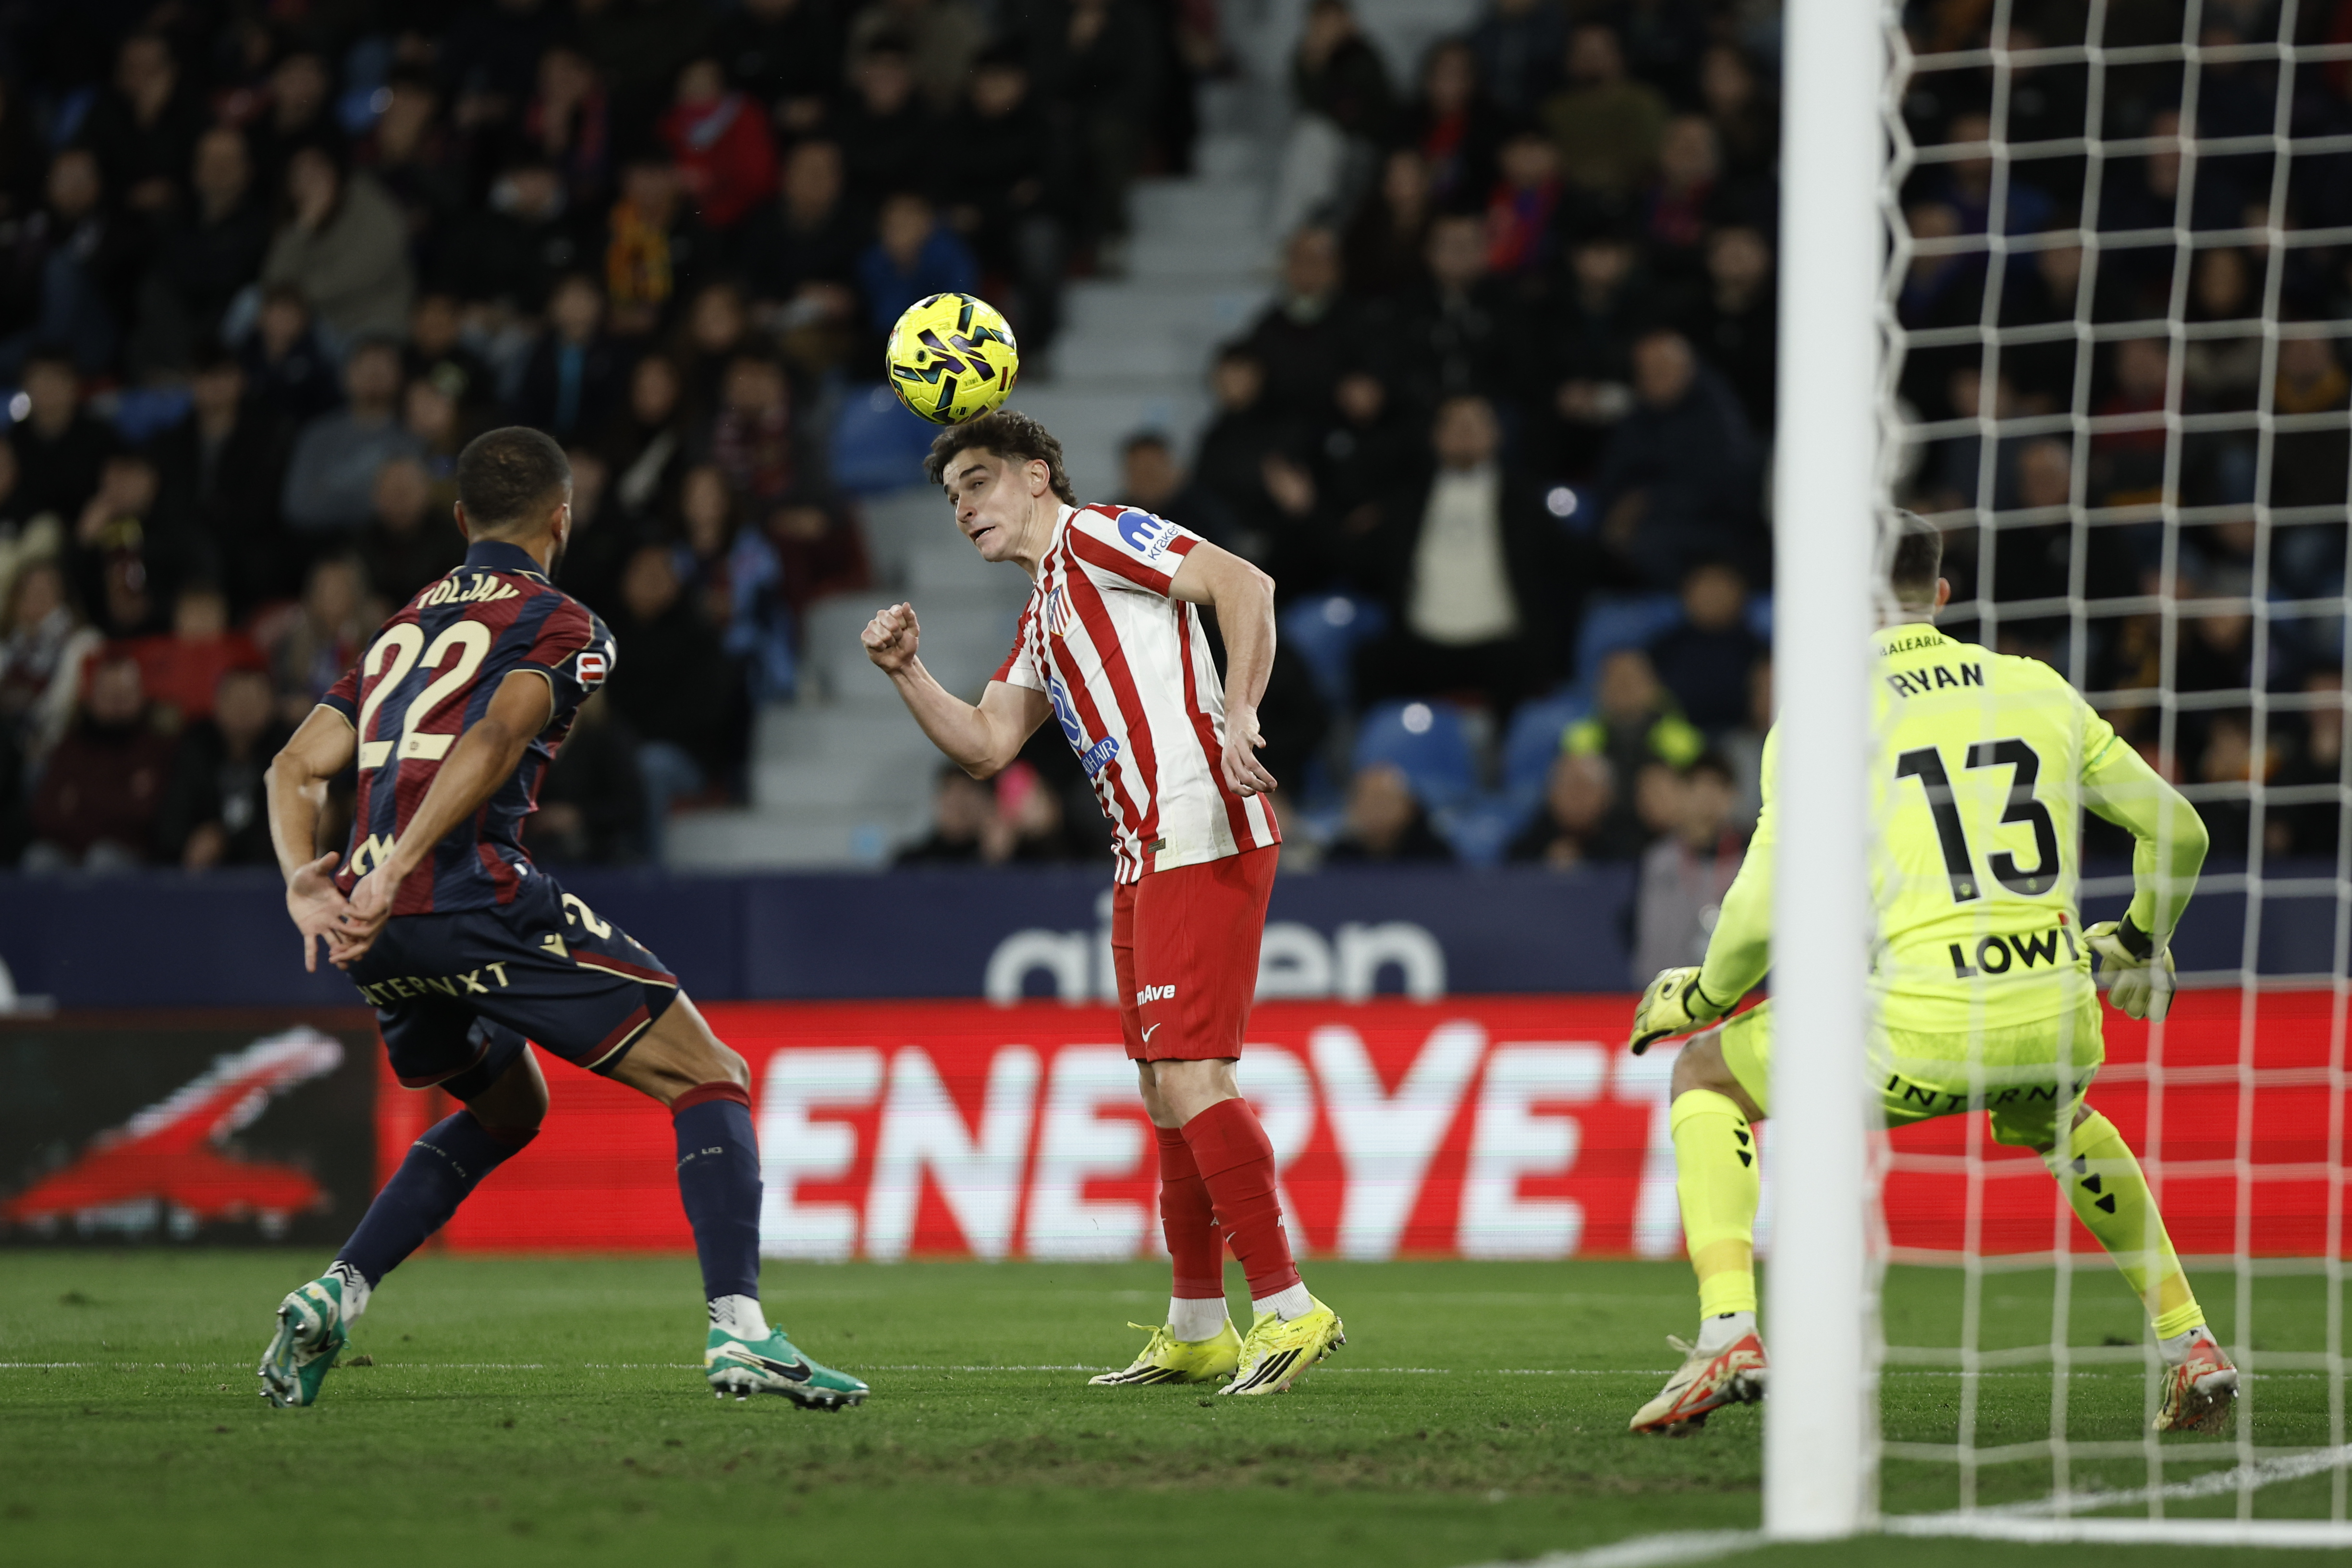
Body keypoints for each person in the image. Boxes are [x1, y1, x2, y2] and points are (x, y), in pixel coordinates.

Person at [256, 427, 865, 1412]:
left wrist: (301, 881)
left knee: (510, 1109)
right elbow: (499, 734)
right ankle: (743, 1332)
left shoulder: (398, 628)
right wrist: (407, 862)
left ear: (461, 519)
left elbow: (292, 766)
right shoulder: (561, 621)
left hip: (373, 931)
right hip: (462, 894)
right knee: (711, 1074)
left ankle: (337, 1293)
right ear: (563, 520)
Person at [1621, 513, 2235, 1438]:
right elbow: (2180, 831)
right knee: (2057, 1118)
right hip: (2056, 1012)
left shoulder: (1826, 713)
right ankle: (2192, 1345)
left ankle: (1728, 1334)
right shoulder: (2035, 686)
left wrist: (1705, 996)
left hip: (1921, 1027)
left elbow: (1761, 905)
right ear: (1941, 595)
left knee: (1705, 1075)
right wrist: (2142, 941)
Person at [860, 408, 1344, 1394]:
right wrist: (907, 671)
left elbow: (1245, 584)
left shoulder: (1099, 534)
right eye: (953, 498)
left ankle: (1290, 1306)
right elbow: (988, 744)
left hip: (1199, 826)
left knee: (1196, 1078)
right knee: (1165, 1091)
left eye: (981, 483)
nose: (965, 509)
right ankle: (1199, 1325)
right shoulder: (1044, 609)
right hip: (1141, 854)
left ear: (1037, 476)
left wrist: (1240, 710)